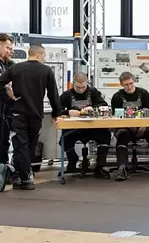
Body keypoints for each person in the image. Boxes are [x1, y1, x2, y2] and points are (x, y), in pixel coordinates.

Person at [0, 44, 61, 190]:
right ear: (39, 55)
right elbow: (53, 93)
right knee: (30, 147)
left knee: (20, 146)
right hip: (36, 114)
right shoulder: (46, 70)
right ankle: (25, 177)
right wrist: (56, 113)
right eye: (44, 56)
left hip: (18, 113)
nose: (44, 59)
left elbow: (0, 83)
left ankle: (23, 177)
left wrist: (8, 99)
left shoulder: (15, 68)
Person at [110, 71, 149, 181]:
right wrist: (130, 126)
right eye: (126, 84)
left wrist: (143, 126)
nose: (129, 86)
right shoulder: (117, 97)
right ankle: (122, 168)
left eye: (131, 83)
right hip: (125, 128)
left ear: (134, 81)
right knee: (122, 135)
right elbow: (116, 117)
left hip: (143, 127)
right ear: (121, 84)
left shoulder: (143, 94)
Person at [58, 72, 112, 178]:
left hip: (92, 128)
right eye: (78, 87)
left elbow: (104, 105)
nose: (81, 89)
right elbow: (57, 111)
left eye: (83, 87)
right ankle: (72, 160)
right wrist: (67, 112)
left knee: (105, 135)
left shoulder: (93, 92)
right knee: (65, 139)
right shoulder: (66, 95)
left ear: (87, 83)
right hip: (74, 128)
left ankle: (100, 166)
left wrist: (93, 108)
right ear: (73, 84)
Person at [0, 33, 14, 191]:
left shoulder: (11, 66)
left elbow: (11, 87)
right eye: (7, 48)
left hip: (6, 110)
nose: (10, 51)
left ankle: (3, 173)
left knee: (4, 143)